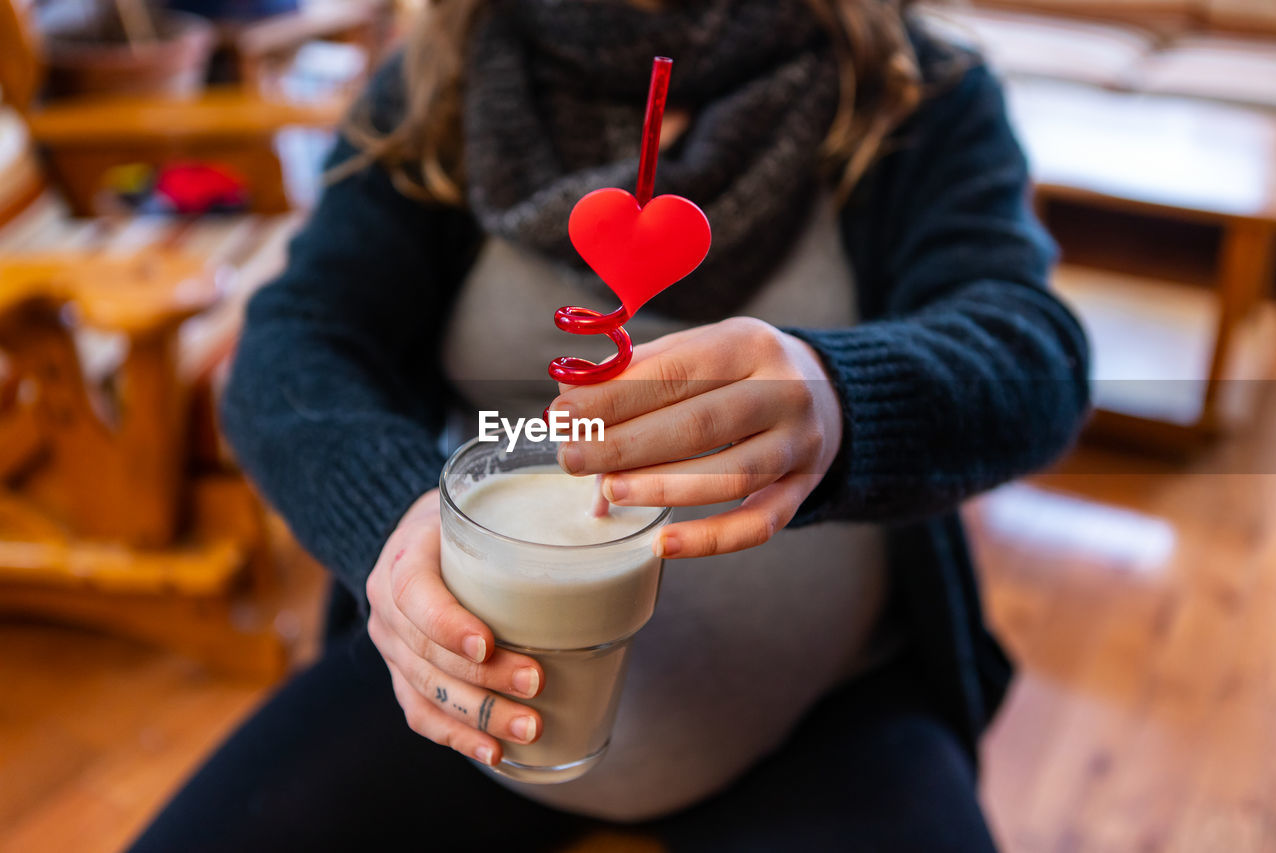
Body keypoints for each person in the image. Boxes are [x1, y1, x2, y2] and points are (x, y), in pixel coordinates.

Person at [128, 0, 1089, 850]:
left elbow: (1033, 351)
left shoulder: (917, 95)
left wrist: (842, 394)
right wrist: (391, 516)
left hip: (830, 717)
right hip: (461, 682)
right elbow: (295, 344)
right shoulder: (439, 86)